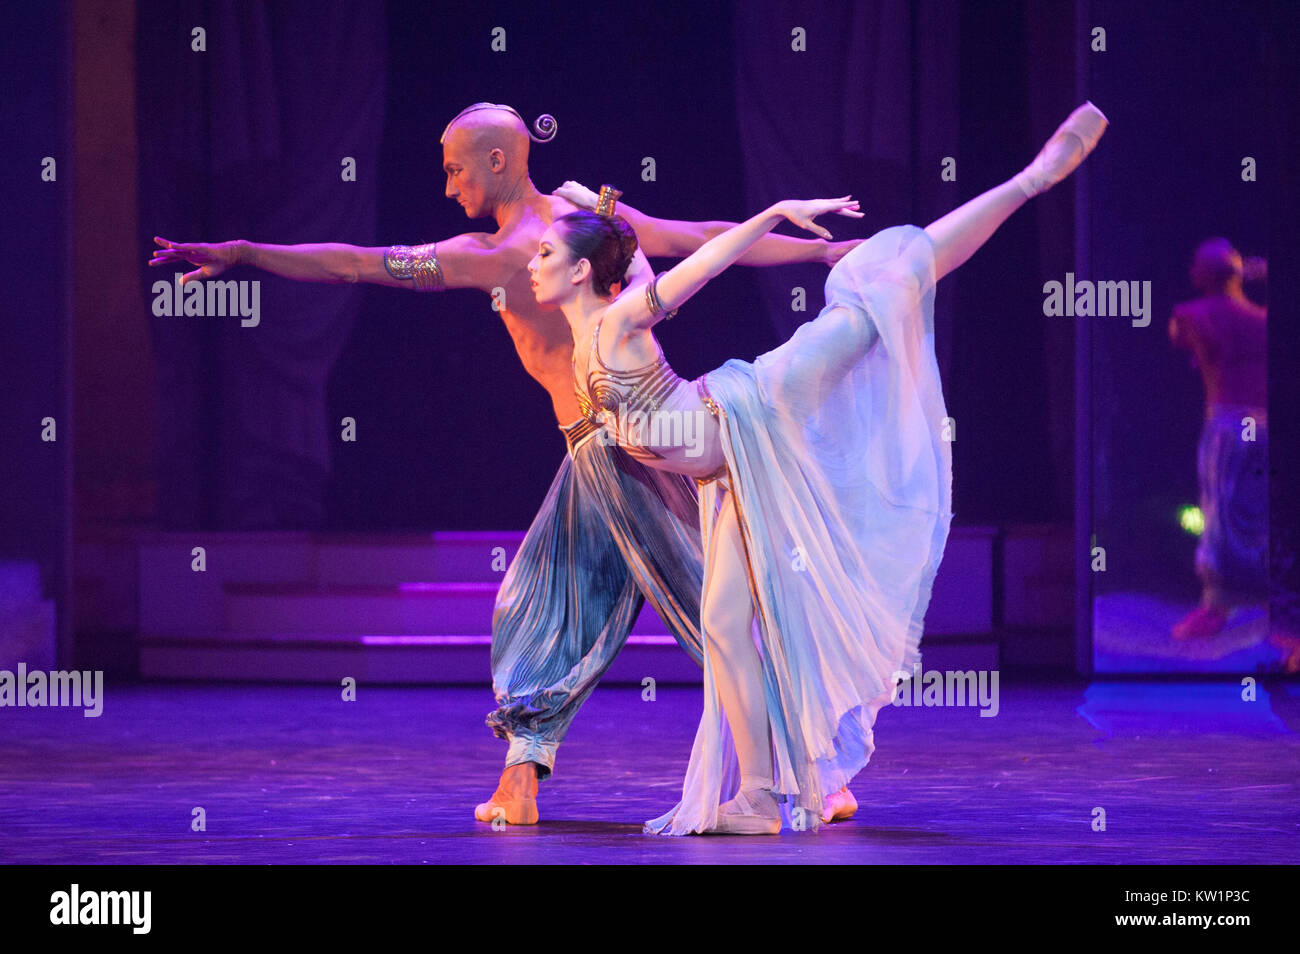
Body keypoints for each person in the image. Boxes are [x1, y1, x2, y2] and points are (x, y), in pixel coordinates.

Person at [148, 103, 859, 826]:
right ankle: (523, 782)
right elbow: (356, 264)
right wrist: (242, 252)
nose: (449, 185)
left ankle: (817, 772)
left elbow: (697, 242)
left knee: (707, 612)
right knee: (549, 606)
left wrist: (821, 253)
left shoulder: (532, 243)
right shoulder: (574, 224)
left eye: (456, 168)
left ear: (498, 161)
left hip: (632, 455)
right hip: (594, 460)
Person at [536, 102, 1108, 833]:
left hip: (755, 407)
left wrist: (773, 209)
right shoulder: (591, 329)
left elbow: (706, 261)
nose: (531, 262)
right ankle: (758, 799)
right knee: (721, 627)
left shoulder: (619, 320)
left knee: (882, 283)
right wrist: (597, 203)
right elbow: (630, 250)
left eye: (546, 256)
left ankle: (1032, 179)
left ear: (581, 271)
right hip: (727, 468)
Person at [1168, 239, 1269, 641]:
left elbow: (1177, 335)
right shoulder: (1264, 319)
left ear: (1202, 274)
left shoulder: (1192, 314)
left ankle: (1215, 607)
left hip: (1227, 424)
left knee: (1218, 517)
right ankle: (1274, 607)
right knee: (1263, 513)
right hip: (1267, 425)